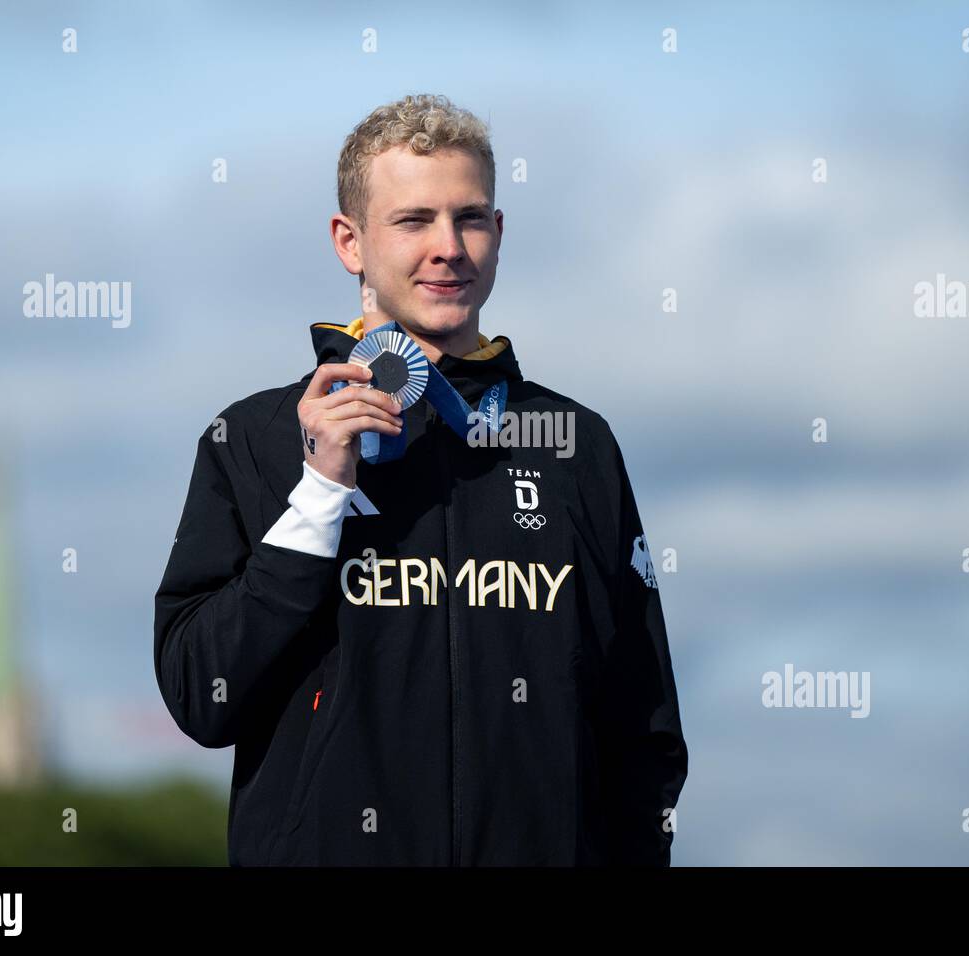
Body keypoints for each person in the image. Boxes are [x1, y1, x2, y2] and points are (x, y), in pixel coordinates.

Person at [153, 93, 687, 865]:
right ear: (350, 242)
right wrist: (318, 497)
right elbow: (202, 696)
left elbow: (643, 731)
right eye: (413, 221)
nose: (448, 248)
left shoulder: (577, 445)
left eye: (469, 219)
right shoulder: (254, 438)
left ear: (498, 233)